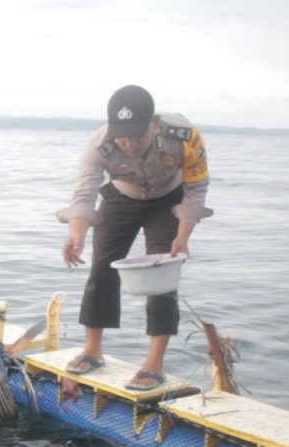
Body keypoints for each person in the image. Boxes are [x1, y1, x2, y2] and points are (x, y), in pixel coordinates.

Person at [57, 84, 212, 392]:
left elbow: (196, 188)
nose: (128, 143)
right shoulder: (99, 144)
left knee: (161, 277)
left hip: (169, 199)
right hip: (121, 197)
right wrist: (76, 235)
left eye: (136, 135)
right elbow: (84, 193)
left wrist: (182, 236)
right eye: (121, 135)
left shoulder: (185, 135)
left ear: (153, 122)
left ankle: (154, 363)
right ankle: (92, 350)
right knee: (100, 269)